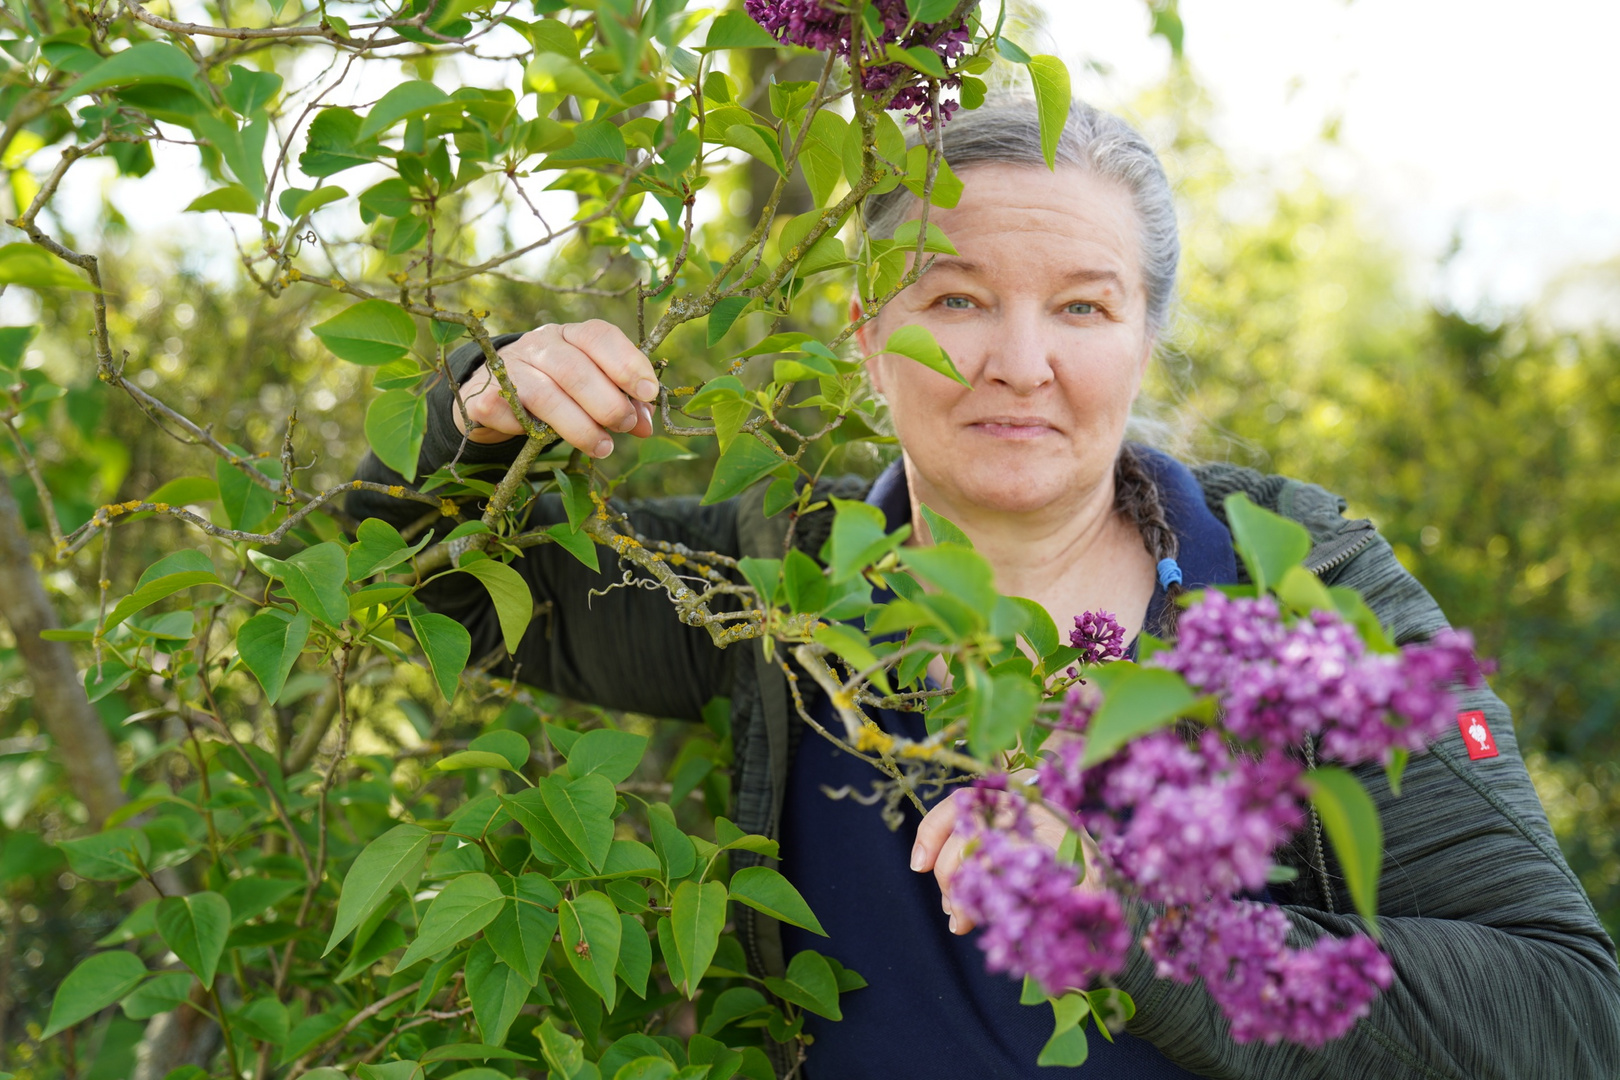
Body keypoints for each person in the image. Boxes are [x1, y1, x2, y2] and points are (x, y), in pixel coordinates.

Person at [347, 96, 1620, 1078]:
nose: (1021, 363)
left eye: (1082, 306)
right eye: (956, 299)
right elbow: (426, 587)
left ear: (1142, 338)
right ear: (865, 330)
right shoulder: (778, 579)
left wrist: (1136, 923)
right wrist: (480, 421)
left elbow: (1566, 1014)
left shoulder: (1308, 597)